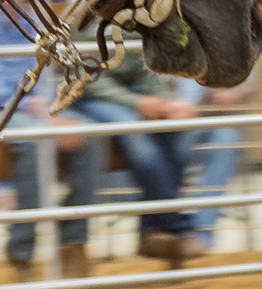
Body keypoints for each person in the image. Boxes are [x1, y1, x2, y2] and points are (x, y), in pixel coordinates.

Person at [0, 0, 103, 280]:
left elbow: (46, 73)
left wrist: (44, 107)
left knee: (89, 135)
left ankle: (73, 243)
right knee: (36, 140)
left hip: (25, 109)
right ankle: (22, 251)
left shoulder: (31, 23)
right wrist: (37, 111)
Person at [73, 48, 205, 265]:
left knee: (178, 134)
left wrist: (168, 102)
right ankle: (178, 228)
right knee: (139, 142)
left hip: (131, 95)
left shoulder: (132, 19)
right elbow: (86, 75)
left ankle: (153, 232)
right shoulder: (83, 19)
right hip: (92, 95)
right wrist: (137, 102)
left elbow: (146, 66)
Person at [169, 75, 253, 249]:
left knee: (227, 139)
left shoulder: (226, 48)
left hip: (208, 118)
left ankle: (201, 235)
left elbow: (247, 83)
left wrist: (231, 93)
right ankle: (172, 230)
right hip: (168, 124)